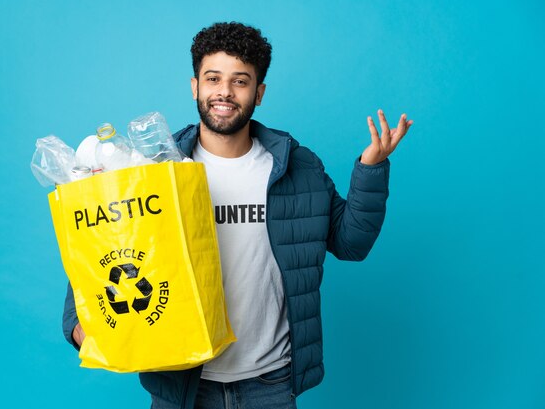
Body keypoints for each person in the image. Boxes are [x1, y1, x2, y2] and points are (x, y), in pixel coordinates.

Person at [62, 21, 413, 409]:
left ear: (258, 93)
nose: (224, 92)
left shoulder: (298, 167)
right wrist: (77, 325)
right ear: (195, 86)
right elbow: (102, 251)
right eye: (213, 78)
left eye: (240, 81)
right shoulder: (153, 172)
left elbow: (351, 243)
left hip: (272, 386)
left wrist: (370, 169)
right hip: (185, 386)